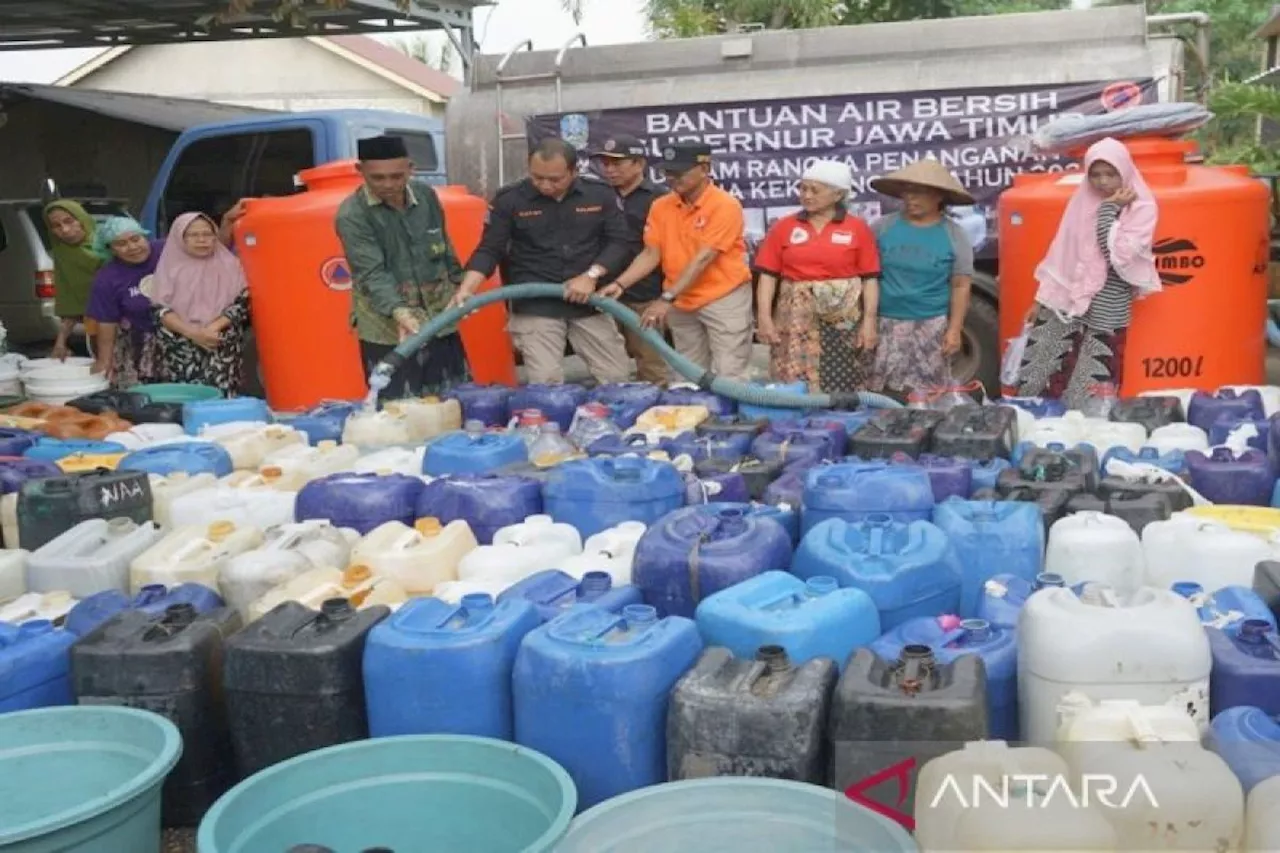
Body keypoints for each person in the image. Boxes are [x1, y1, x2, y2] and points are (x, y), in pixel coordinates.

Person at [451, 137, 633, 386]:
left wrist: (591, 275)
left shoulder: (599, 194)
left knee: (617, 377)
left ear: (574, 171)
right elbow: (489, 249)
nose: (545, 185)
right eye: (538, 177)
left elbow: (619, 242)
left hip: (589, 300)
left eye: (555, 179)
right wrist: (467, 288)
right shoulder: (509, 200)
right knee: (545, 383)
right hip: (536, 304)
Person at [1015, 137, 1160, 406]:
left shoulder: (1142, 207)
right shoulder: (1081, 202)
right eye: (1095, 174)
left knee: (1094, 371)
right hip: (1068, 296)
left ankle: (1085, 428)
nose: (1102, 182)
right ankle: (1037, 422)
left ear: (1124, 171)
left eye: (1110, 174)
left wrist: (1108, 211)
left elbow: (1120, 255)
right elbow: (1061, 254)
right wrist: (1040, 299)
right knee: (1043, 363)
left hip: (1109, 302)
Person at [601, 142, 754, 381]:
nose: (672, 178)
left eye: (679, 172)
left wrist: (666, 298)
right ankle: (696, 416)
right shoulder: (661, 205)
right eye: (667, 172)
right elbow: (651, 254)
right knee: (688, 371)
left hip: (723, 296)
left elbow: (703, 258)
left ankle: (736, 417)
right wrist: (620, 284)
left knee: (730, 370)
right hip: (682, 299)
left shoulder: (725, 205)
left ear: (704, 168)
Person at [335, 135, 470, 399]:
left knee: (454, 399)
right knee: (400, 409)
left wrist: (460, 285)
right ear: (360, 171)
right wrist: (400, 312)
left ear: (411, 167)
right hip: (388, 328)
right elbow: (371, 273)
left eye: (397, 176)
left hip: (439, 318)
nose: (389, 185)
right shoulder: (352, 215)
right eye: (378, 178)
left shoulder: (425, 195)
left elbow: (442, 244)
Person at [754, 160, 880, 393]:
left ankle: (838, 422)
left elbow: (870, 279)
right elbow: (768, 276)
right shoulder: (784, 227)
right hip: (794, 315)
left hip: (842, 318)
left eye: (815, 190)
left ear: (838, 195)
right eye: (803, 188)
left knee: (842, 374)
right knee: (793, 376)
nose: (806, 195)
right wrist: (764, 318)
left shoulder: (857, 228)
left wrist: (869, 322)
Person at [866, 160, 976, 398]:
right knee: (880, 393)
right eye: (908, 192)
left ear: (938, 197)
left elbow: (960, 286)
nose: (911, 199)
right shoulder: (881, 228)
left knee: (928, 395)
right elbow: (866, 277)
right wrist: (866, 323)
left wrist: (954, 330)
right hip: (884, 324)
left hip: (930, 325)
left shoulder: (954, 235)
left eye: (920, 193)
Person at [590, 134, 670, 384]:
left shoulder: (660, 199)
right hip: (604, 290)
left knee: (651, 363)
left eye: (617, 163)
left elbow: (664, 248)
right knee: (608, 365)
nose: (610, 169)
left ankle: (659, 413)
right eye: (605, 163)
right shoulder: (596, 196)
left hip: (646, 292)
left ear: (639, 164)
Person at [148, 212, 252, 395]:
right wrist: (194, 333)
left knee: (221, 399)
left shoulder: (231, 265)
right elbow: (160, 310)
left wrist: (212, 329)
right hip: (181, 349)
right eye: (193, 235)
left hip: (220, 344)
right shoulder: (168, 269)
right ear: (180, 238)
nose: (201, 240)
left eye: (207, 234)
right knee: (185, 400)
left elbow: (242, 302)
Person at [85, 216, 162, 387]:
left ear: (145, 236)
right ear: (111, 249)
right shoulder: (106, 278)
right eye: (121, 244)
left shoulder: (166, 251)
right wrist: (105, 361)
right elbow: (106, 323)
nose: (132, 247)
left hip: (184, 336)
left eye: (136, 239)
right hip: (139, 344)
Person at [45, 201, 105, 361]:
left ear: (82, 219)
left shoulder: (110, 242)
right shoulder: (64, 254)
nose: (64, 230)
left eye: (69, 221)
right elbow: (71, 300)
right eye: (56, 226)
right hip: (96, 329)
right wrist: (60, 343)